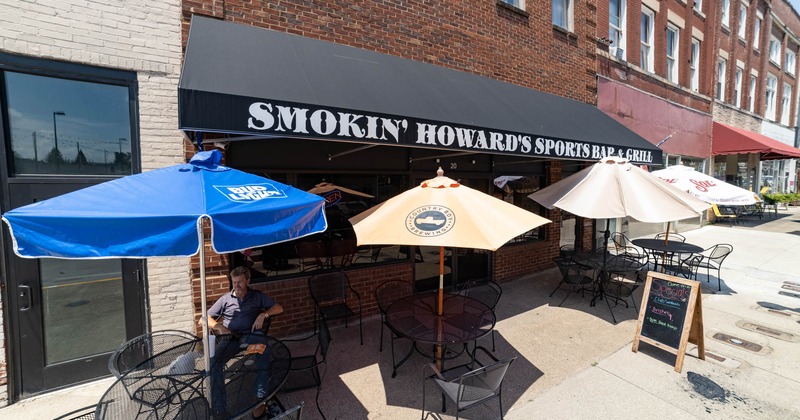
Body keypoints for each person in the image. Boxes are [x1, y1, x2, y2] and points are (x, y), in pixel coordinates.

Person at [207, 266, 283, 418]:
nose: (236, 286)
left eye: (240, 282)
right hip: (230, 337)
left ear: (248, 281)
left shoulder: (257, 296)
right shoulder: (225, 299)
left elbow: (279, 308)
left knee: (264, 352)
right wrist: (218, 326)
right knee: (214, 362)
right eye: (234, 282)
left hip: (251, 335)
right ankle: (220, 409)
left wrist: (264, 315)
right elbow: (206, 318)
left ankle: (259, 400)